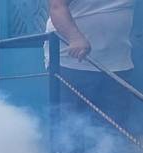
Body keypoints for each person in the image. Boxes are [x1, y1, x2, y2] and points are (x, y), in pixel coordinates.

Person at [47, 0, 136, 129]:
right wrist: (75, 38)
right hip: (74, 62)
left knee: (115, 130)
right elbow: (57, 6)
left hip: (117, 64)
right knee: (71, 129)